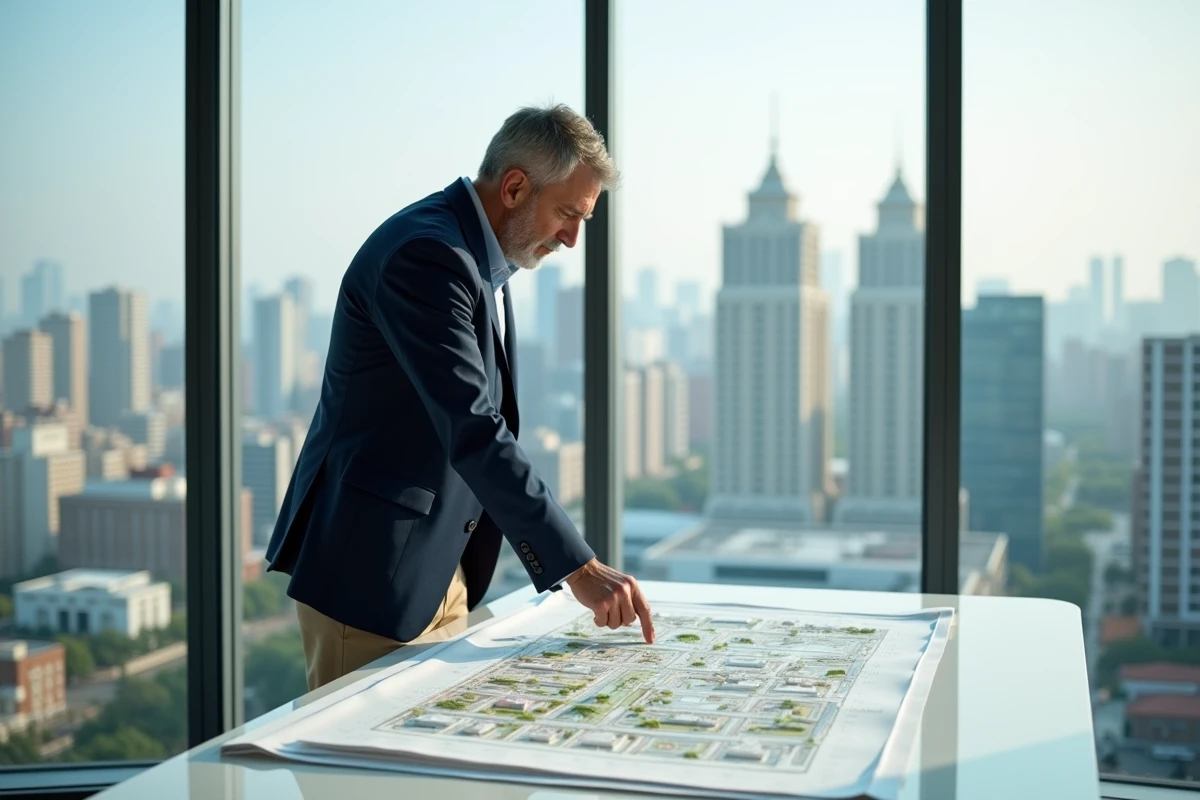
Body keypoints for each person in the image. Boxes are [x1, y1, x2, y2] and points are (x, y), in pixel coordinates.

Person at [265, 104, 655, 690]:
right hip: (370, 584)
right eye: (568, 214)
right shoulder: (429, 257)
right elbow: (474, 427)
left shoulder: (481, 258)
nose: (574, 239)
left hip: (436, 576)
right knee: (361, 781)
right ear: (516, 187)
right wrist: (578, 565)